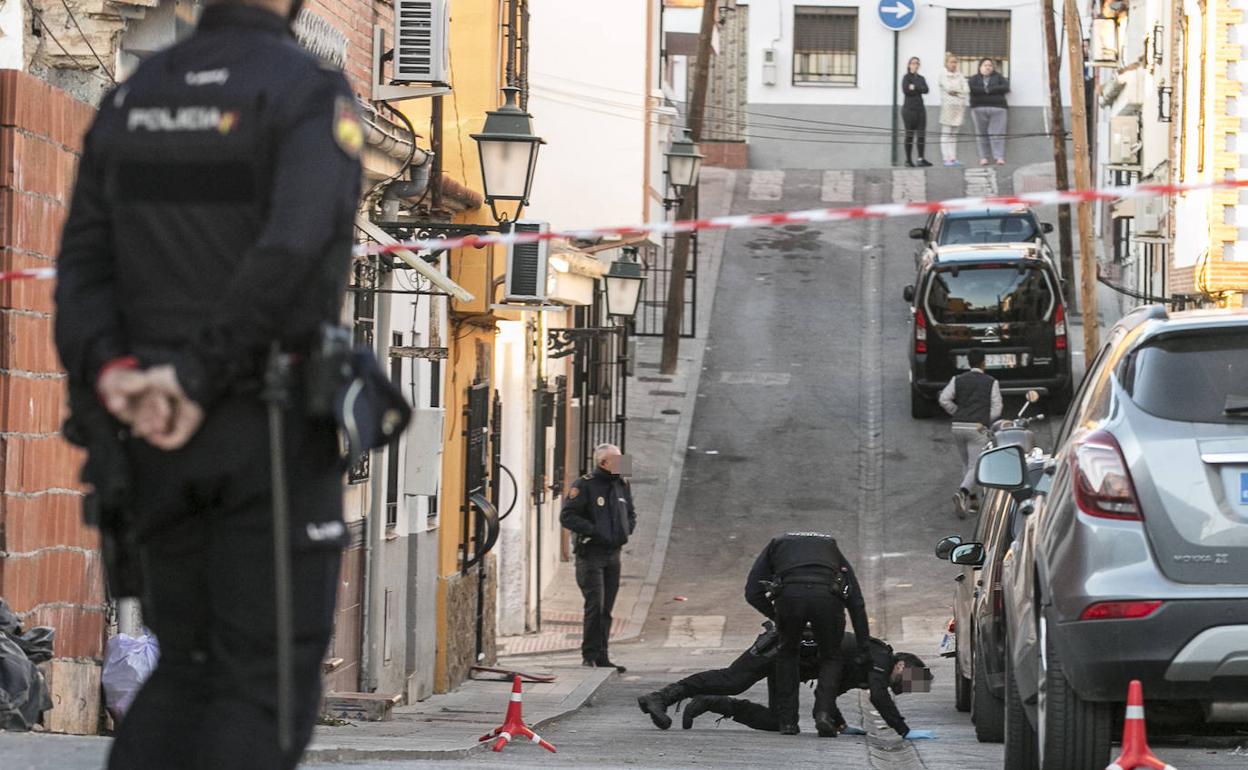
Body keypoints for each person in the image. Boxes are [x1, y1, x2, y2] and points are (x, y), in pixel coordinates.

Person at [53, 0, 364, 766]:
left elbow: (83, 269)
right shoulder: (305, 93)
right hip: (263, 429)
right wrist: (195, 377)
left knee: (185, 668)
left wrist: (118, 375)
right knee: (263, 681)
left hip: (149, 440)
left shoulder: (133, 95)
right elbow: (293, 248)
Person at [637, 628, 934, 741]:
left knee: (778, 722)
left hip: (790, 667)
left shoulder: (863, 668)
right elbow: (879, 696)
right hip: (782, 646)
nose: (904, 688)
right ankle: (661, 697)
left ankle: (712, 703)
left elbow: (828, 691)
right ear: (902, 666)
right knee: (733, 680)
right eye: (908, 682)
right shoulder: (880, 656)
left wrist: (840, 725)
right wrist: (904, 732)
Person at [744, 532, 871, 736]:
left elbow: (752, 593)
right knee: (831, 657)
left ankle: (788, 722)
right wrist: (864, 645)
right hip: (827, 599)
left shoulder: (775, 545)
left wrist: (776, 615)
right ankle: (823, 715)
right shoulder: (832, 547)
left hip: (789, 598)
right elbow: (856, 602)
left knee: (787, 654)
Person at [560, 443, 636, 672]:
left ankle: (603, 655)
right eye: (618, 459)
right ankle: (590, 654)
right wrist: (594, 531)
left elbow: (631, 513)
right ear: (603, 463)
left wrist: (626, 529)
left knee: (607, 607)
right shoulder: (586, 485)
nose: (624, 463)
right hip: (590, 554)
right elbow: (567, 516)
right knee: (596, 604)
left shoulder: (622, 484)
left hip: (613, 554)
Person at [939, 349, 1004, 512]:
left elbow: (944, 399)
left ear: (968, 362)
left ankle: (973, 502)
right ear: (984, 363)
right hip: (977, 427)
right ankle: (962, 493)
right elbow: (997, 407)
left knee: (967, 464)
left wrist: (957, 412)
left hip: (958, 426)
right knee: (976, 466)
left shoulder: (957, 379)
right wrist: (985, 419)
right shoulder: (991, 382)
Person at [968, 57, 1010, 165]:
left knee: (998, 133)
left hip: (998, 108)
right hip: (978, 108)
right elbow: (971, 89)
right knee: (981, 133)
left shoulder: (999, 77)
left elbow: (1006, 88)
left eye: (990, 65)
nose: (988, 67)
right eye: (985, 65)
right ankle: (984, 157)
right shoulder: (974, 78)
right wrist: (990, 90)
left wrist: (988, 90)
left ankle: (999, 157)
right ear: (980, 67)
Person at [938, 53, 968, 166]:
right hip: (947, 107)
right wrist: (958, 91)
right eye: (951, 62)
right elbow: (949, 88)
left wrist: (957, 93)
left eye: (955, 62)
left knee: (954, 134)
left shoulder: (960, 75)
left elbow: (966, 90)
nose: (954, 64)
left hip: (959, 107)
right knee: (946, 133)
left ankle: (953, 157)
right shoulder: (943, 74)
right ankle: (946, 158)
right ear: (946, 63)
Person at [900, 57, 931, 168]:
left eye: (917, 63)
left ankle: (920, 159)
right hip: (909, 110)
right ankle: (908, 160)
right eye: (913, 63)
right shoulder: (906, 77)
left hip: (920, 109)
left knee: (921, 134)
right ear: (909, 65)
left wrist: (915, 87)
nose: (915, 65)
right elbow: (906, 90)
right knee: (909, 135)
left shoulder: (921, 78)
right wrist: (918, 88)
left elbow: (926, 90)